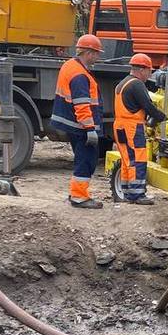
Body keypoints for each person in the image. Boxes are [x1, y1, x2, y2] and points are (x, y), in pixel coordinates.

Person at [51, 34, 104, 209]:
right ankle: (79, 196)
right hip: (81, 125)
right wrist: (90, 128)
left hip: (73, 124)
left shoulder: (70, 66)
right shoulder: (80, 75)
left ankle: (77, 193)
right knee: (86, 159)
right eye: (96, 53)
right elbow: (82, 104)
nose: (98, 57)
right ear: (88, 53)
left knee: (82, 158)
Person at [112, 53, 167, 205]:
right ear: (142, 69)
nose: (149, 75)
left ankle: (127, 192)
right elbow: (148, 106)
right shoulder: (136, 84)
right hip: (132, 127)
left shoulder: (122, 83)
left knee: (127, 160)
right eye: (149, 71)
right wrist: (162, 117)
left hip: (120, 126)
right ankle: (137, 194)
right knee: (138, 159)